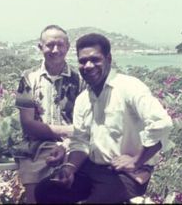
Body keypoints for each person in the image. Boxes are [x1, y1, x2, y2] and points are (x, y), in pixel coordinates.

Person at [34, 33, 173, 204]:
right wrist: (69, 168)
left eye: (95, 59)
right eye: (83, 61)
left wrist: (136, 161)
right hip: (90, 170)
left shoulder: (129, 87)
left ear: (108, 59)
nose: (88, 66)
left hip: (123, 175)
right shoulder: (83, 99)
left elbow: (162, 123)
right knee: (45, 191)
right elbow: (80, 141)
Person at [14, 25, 84, 203]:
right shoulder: (29, 78)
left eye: (60, 45)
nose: (55, 50)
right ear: (40, 47)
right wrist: (69, 130)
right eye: (50, 45)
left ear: (68, 47)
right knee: (35, 199)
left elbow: (85, 124)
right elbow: (28, 125)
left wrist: (68, 140)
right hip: (36, 150)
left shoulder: (80, 80)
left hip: (71, 148)